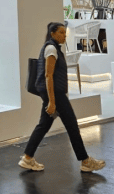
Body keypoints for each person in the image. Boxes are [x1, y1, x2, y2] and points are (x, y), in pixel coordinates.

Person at [20, 22, 105, 173]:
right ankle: (85, 161)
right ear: (52, 33)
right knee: (72, 126)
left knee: (44, 125)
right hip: (56, 95)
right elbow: (48, 76)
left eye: (65, 33)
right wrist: (52, 101)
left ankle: (27, 158)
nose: (64, 36)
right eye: (61, 33)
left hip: (54, 94)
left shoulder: (53, 48)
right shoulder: (51, 49)